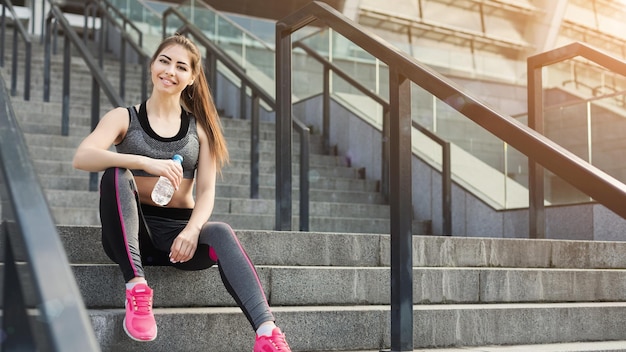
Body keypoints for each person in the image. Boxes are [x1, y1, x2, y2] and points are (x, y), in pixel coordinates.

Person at [72, 34, 292, 351]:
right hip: (132, 236)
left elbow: (205, 192)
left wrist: (192, 231)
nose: (170, 71)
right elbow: (82, 156)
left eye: (180, 67)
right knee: (116, 173)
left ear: (190, 78)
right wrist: (143, 162)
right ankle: (136, 289)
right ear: (152, 65)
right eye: (164, 61)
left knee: (221, 231)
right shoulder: (123, 117)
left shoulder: (200, 129)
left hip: (181, 241)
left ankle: (267, 334)